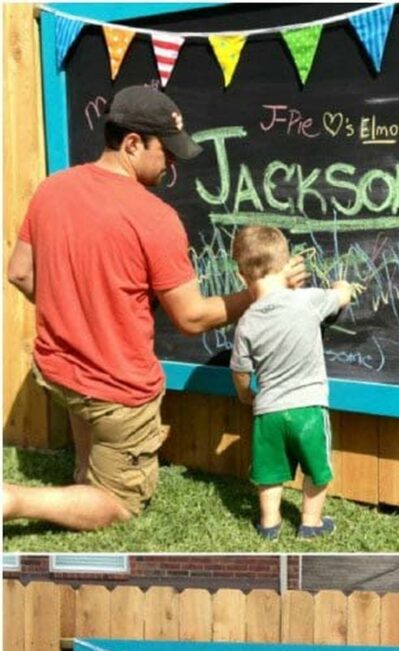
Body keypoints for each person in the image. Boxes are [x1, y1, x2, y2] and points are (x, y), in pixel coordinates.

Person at [4, 85, 305, 531]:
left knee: (90, 451)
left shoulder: (52, 189)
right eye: (167, 152)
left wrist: (73, 306)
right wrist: (260, 293)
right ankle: (13, 500)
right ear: (131, 143)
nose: (172, 165)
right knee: (118, 503)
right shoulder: (155, 218)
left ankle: (83, 480)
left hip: (60, 369)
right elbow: (191, 317)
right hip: (117, 381)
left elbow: (20, 273)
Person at [230, 225, 357, 540]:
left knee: (270, 473)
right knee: (317, 469)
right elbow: (340, 297)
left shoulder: (246, 322)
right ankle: (310, 524)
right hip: (308, 409)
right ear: (286, 265)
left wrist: (247, 395)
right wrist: (343, 286)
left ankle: (269, 524)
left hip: (268, 410)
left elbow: (240, 370)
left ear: (241, 277)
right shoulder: (307, 301)